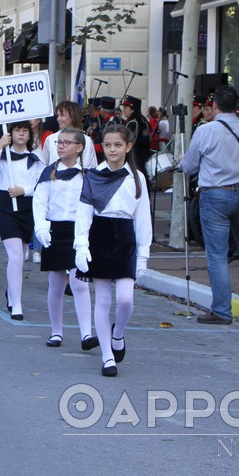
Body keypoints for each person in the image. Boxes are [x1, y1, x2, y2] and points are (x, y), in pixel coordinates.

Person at [179, 85, 239, 324]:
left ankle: (221, 309)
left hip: (215, 194)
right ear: (236, 105)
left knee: (216, 253)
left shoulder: (207, 131)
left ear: (215, 106)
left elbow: (189, 166)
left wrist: (182, 161)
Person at [74, 124, 151, 377]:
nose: (112, 150)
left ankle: (118, 334)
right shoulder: (94, 176)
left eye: (118, 145)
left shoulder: (137, 178)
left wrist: (143, 256)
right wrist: (81, 245)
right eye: (107, 145)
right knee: (103, 299)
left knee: (126, 299)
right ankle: (107, 356)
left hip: (125, 238)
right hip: (101, 236)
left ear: (128, 147)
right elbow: (83, 214)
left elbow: (143, 220)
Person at [33, 127, 97, 350]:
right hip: (55, 230)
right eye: (59, 142)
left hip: (79, 232)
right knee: (56, 283)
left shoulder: (87, 176)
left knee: (80, 283)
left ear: (79, 148)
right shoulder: (49, 173)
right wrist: (40, 225)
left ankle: (86, 334)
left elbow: (92, 206)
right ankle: (56, 331)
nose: (60, 146)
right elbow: (40, 202)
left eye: (66, 143)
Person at [0, 120, 46, 320]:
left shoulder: (36, 159)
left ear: (29, 135)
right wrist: (0, 145)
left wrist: (24, 190)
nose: (21, 134)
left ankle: (12, 293)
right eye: (17, 130)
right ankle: (17, 303)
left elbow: (42, 186)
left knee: (22, 254)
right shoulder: (3, 157)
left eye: (24, 130)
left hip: (27, 208)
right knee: (16, 255)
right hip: (6, 206)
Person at [42, 101, 98, 171]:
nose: (58, 119)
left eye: (62, 115)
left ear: (73, 116)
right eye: (58, 115)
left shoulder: (87, 140)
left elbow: (93, 168)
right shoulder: (50, 139)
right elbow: (43, 166)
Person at [121, 96, 151, 172]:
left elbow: (128, 142)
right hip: (143, 158)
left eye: (125, 107)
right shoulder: (143, 119)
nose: (123, 109)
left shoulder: (133, 122)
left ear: (133, 109)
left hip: (135, 159)